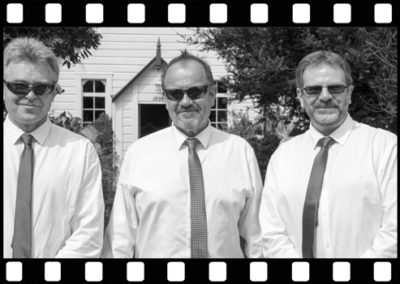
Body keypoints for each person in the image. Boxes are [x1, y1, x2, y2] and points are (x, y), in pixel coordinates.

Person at [103, 51, 263, 258]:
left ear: (212, 94)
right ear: (165, 99)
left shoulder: (240, 152)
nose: (186, 102)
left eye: (195, 92)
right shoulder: (139, 153)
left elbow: (257, 234)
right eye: (175, 94)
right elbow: (120, 238)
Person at [260, 50, 397, 258]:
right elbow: (272, 233)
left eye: (335, 88)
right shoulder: (282, 158)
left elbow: (393, 230)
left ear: (349, 93)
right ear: (300, 96)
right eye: (314, 89)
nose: (325, 96)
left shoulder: (385, 147)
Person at [3, 37, 104, 258]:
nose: (30, 95)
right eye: (19, 86)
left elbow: (88, 233)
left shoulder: (80, 152)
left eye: (41, 88)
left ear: (53, 91)